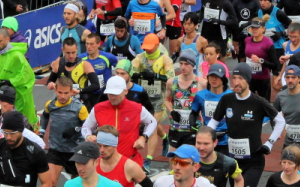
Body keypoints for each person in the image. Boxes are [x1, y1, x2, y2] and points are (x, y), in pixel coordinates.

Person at [208, 62, 286, 187]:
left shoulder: (258, 102)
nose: (236, 82)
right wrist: (207, 139)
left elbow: (280, 121)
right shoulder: (226, 99)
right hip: (233, 162)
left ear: (248, 81)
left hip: (253, 162)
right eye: (234, 78)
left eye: (240, 78)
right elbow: (213, 122)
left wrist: (269, 143)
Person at [39, 77, 89, 187]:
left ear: (71, 92)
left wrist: (76, 129)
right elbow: (45, 116)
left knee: (78, 185)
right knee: (49, 183)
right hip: (56, 149)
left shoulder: (79, 108)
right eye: (60, 92)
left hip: (75, 151)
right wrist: (41, 132)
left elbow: (89, 126)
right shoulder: (50, 105)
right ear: (55, 90)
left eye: (66, 93)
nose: (62, 96)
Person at [82, 76, 159, 169]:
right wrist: (88, 136)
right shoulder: (98, 108)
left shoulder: (137, 108)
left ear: (125, 91)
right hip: (104, 163)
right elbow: (85, 127)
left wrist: (143, 137)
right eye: (110, 94)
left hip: (130, 162)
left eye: (116, 94)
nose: (112, 97)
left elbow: (152, 122)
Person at [130, 33, 174, 170]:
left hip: (159, 98)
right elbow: (131, 73)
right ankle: (165, 138)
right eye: (146, 47)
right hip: (144, 98)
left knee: (152, 126)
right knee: (152, 124)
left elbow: (171, 78)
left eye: (150, 47)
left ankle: (148, 160)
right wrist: (138, 75)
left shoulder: (165, 59)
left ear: (157, 45)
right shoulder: (140, 58)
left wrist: (156, 75)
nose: (148, 50)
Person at [0, 29, 37, 127]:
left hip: (18, 95)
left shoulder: (17, 55)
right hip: (3, 94)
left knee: (21, 122)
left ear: (8, 39)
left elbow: (28, 75)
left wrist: (11, 82)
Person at [164, 50, 207, 154]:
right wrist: (172, 111)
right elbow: (166, 100)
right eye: (181, 63)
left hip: (193, 128)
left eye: (186, 64)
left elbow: (207, 104)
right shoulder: (171, 82)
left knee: (190, 157)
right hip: (176, 126)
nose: (183, 67)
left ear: (193, 65)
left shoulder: (202, 83)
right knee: (172, 156)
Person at [46, 38, 99, 111]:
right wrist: (50, 84)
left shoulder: (85, 64)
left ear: (77, 49)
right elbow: (50, 81)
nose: (71, 56)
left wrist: (80, 91)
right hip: (63, 104)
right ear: (62, 50)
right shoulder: (58, 62)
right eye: (68, 53)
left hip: (80, 104)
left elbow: (96, 85)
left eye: (73, 52)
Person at [192, 63, 231, 154]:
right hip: (207, 141)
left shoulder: (231, 96)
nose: (214, 79)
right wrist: (198, 129)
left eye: (217, 76)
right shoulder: (200, 95)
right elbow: (193, 114)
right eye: (211, 76)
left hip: (226, 140)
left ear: (223, 79)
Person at [244, 16, 280, 101]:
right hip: (249, 78)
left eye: (257, 28)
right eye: (253, 27)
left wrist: (260, 60)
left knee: (264, 104)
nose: (254, 30)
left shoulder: (268, 43)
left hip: (263, 80)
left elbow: (275, 65)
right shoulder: (247, 40)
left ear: (263, 29)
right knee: (248, 103)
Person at [80, 32, 120, 107]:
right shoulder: (80, 58)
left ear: (98, 44)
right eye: (87, 44)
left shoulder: (108, 57)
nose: (88, 47)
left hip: (104, 95)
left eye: (92, 44)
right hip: (88, 95)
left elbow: (122, 67)